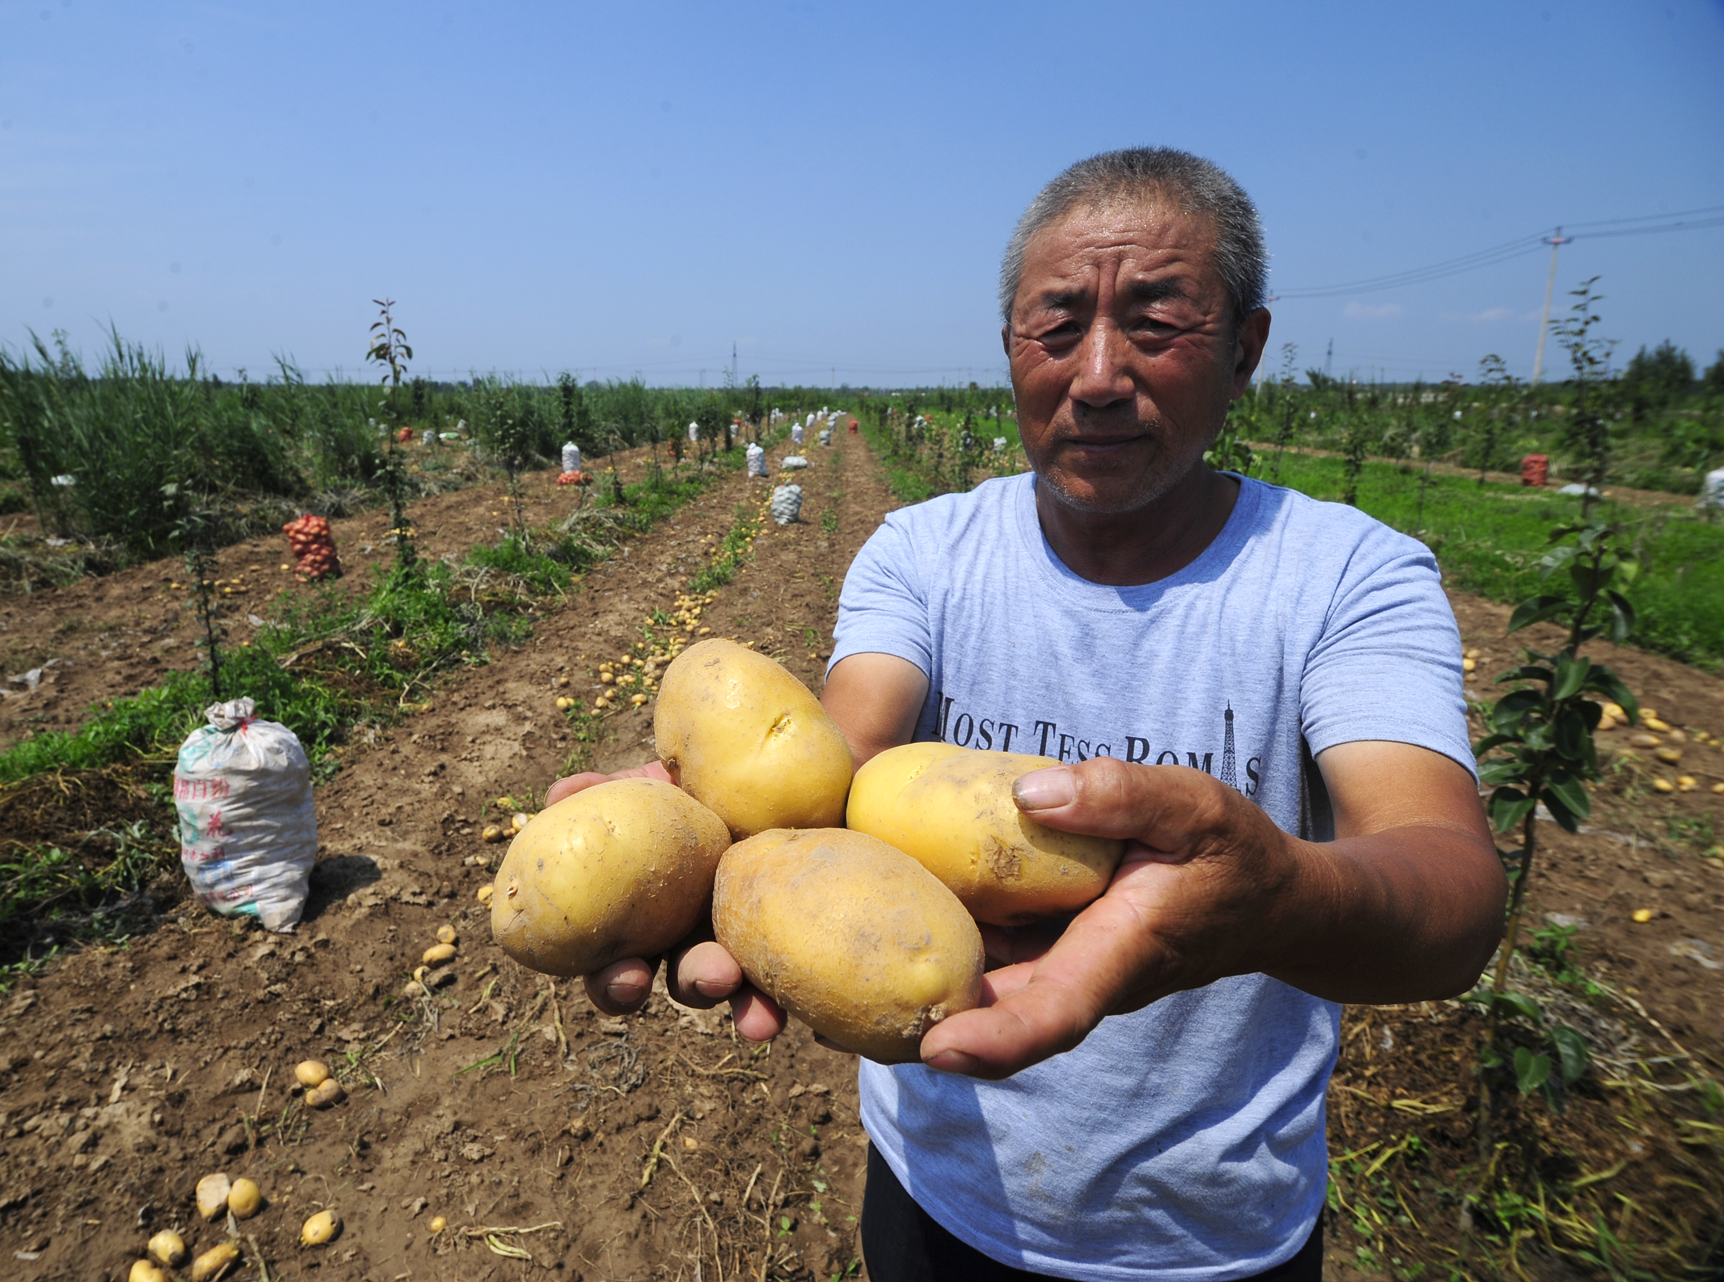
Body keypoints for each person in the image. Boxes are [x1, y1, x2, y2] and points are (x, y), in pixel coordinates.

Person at [550, 148, 1505, 1281]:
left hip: (1209, 1236)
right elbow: (842, 751)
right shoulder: (923, 550)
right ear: (1009, 346)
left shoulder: (1347, 574)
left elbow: (1451, 888)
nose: (1097, 374)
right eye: (1056, 327)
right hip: (938, 1192)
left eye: (1154, 323)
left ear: (1245, 349)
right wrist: (698, 819)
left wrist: (1272, 899)